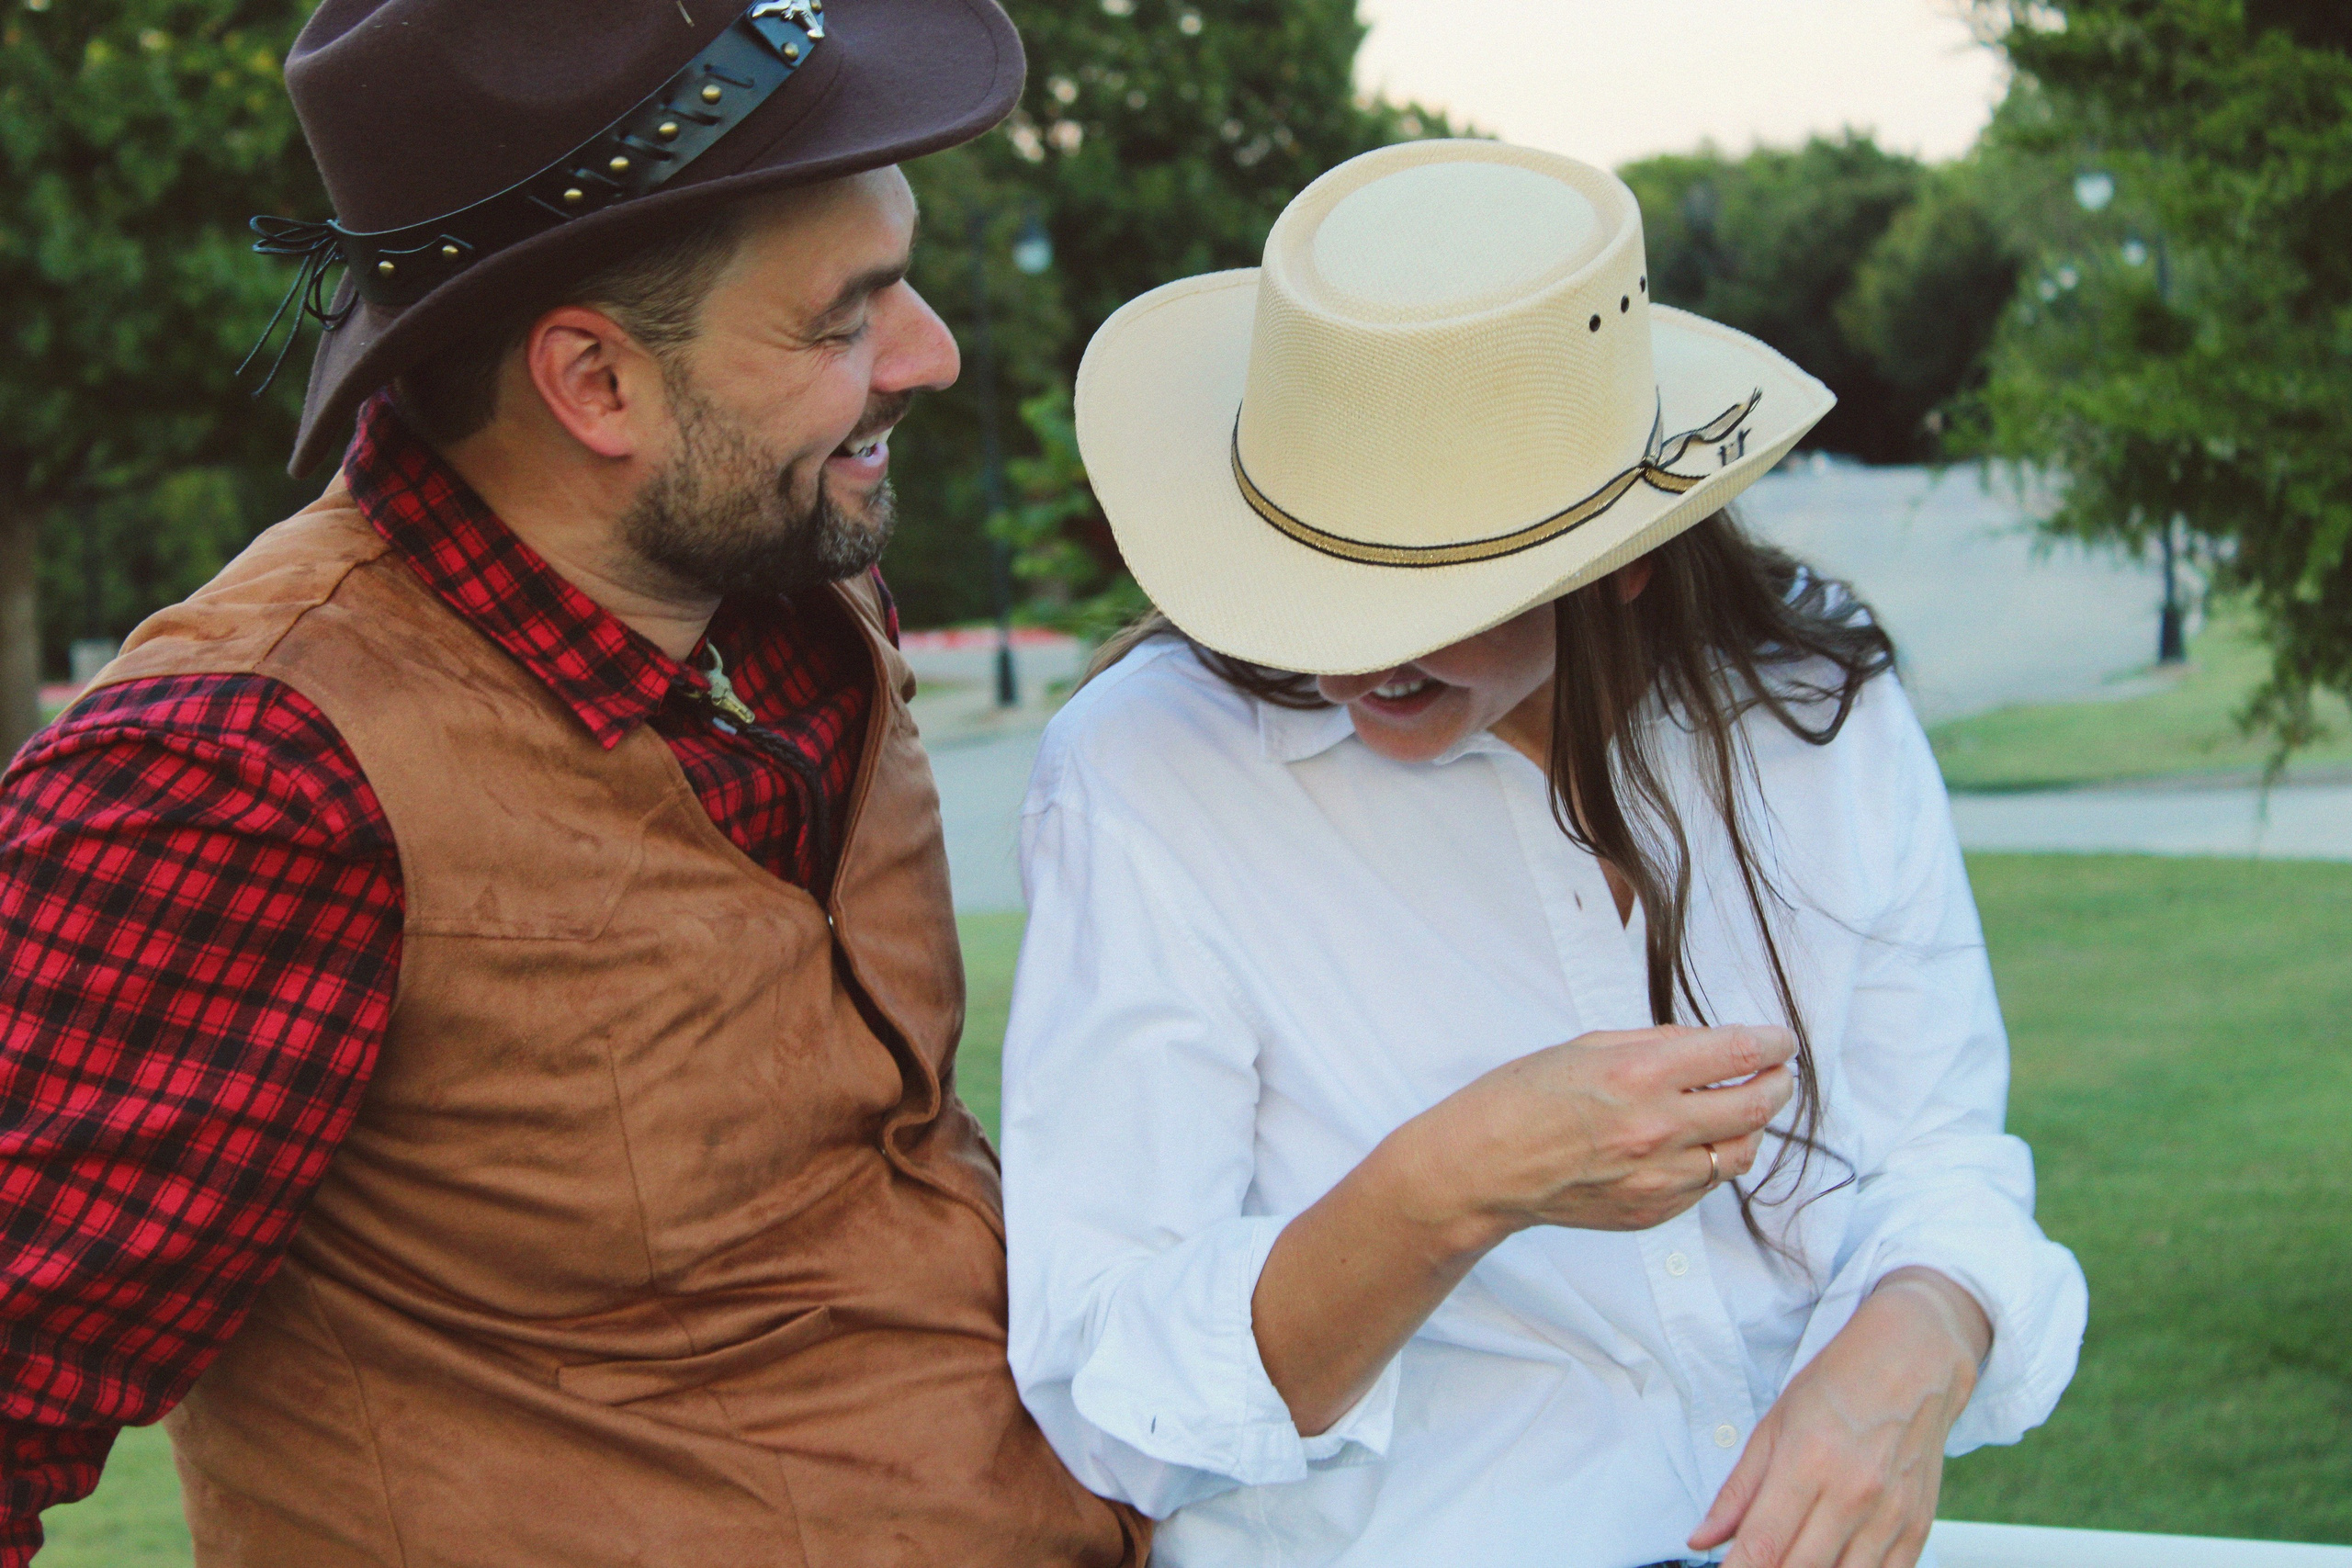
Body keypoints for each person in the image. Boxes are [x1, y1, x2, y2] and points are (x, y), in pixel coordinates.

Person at [0, 1, 1144, 1563]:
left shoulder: (783, 582)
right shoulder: (240, 769)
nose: (928, 356)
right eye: (843, 318)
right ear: (594, 385)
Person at [1001, 141, 2087, 1568]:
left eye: (1431, 578)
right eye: (1318, 571)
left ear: (1626, 553)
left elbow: (1939, 1149)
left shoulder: (1811, 706)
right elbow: (1109, 1393)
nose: (1352, 647)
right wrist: (1453, 1183)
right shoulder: (1148, 776)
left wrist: (1919, 1341)